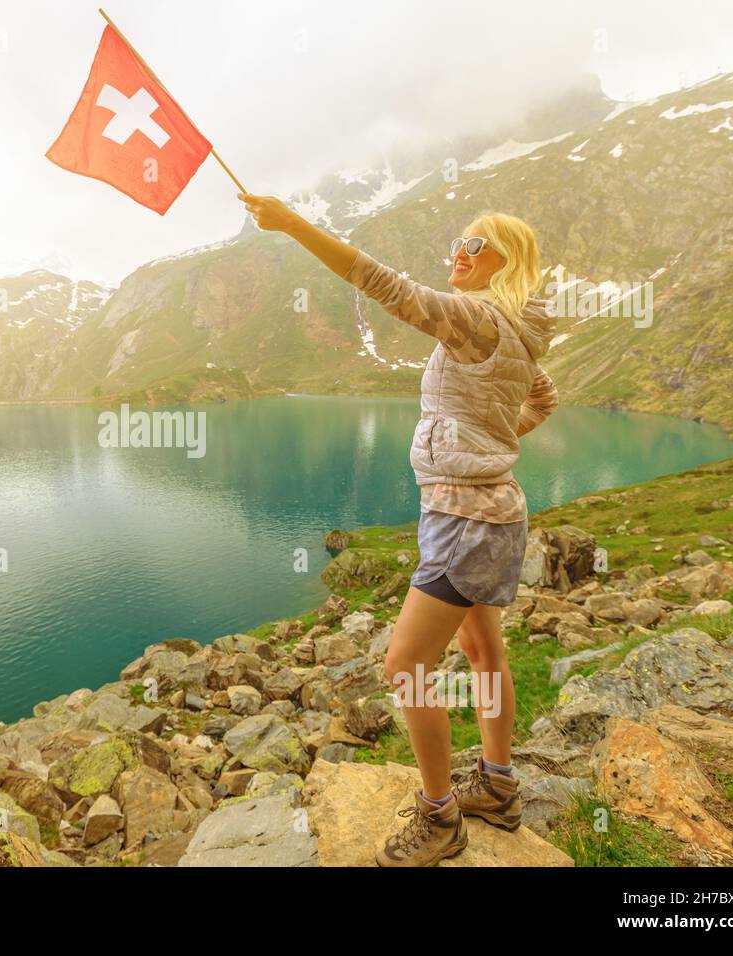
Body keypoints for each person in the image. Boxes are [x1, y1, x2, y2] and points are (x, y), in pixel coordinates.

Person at [239, 193, 559, 866]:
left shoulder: (475, 319)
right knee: (483, 656)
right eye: (458, 243)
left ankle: (440, 818)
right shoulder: (521, 330)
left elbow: (384, 285)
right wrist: (492, 443)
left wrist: (290, 223)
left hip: (465, 520)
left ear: (508, 261)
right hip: (495, 512)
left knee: (406, 666)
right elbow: (541, 398)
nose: (458, 255)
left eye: (474, 246)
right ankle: (498, 788)